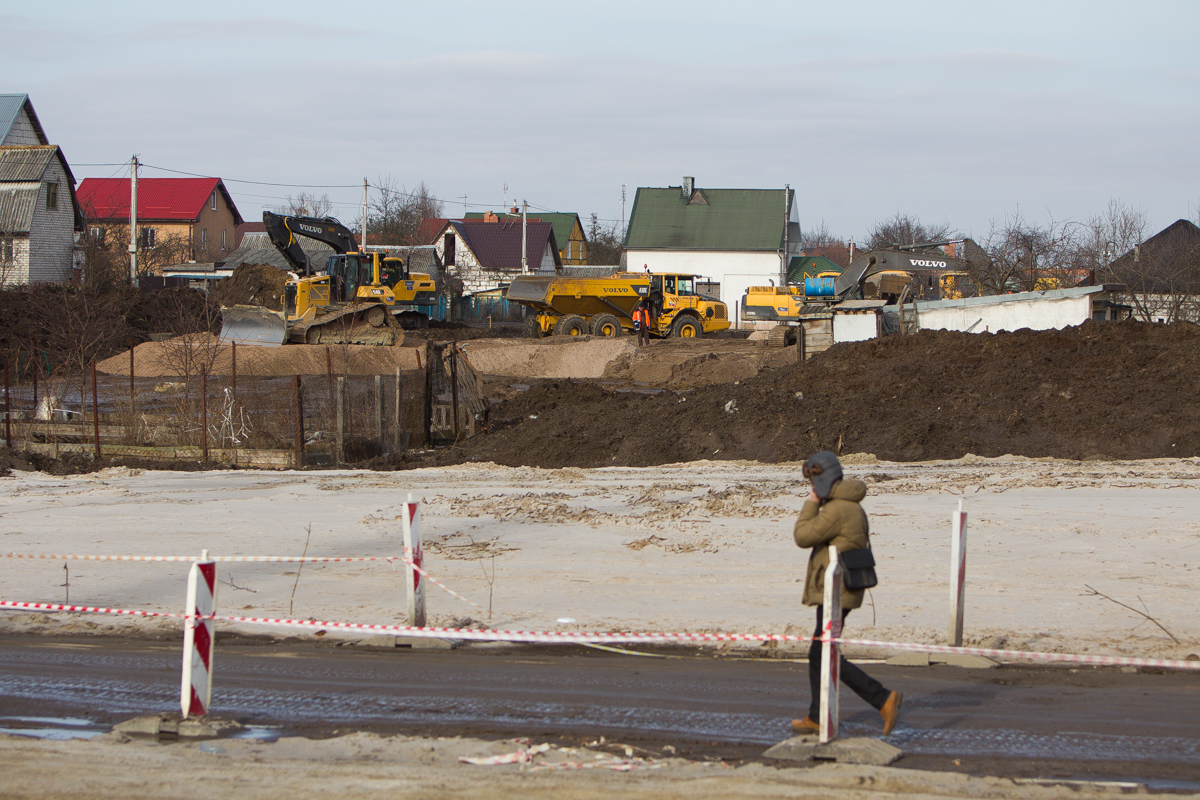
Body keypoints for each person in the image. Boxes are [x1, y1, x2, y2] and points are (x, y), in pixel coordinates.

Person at [791, 450, 902, 736]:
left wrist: (812, 503)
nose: (812, 489)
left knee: (824, 651)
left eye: (814, 483)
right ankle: (817, 716)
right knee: (821, 651)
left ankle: (882, 698)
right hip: (841, 587)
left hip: (835, 591)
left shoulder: (838, 509)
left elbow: (803, 536)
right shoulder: (850, 505)